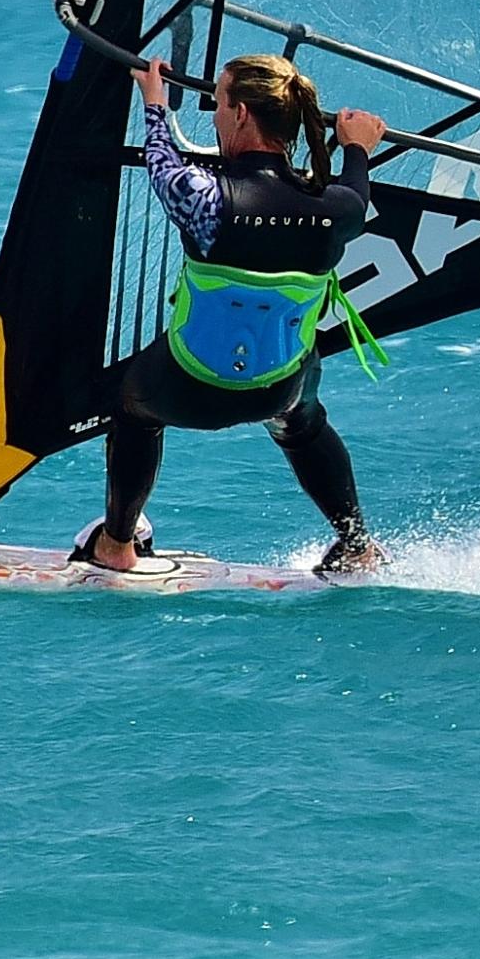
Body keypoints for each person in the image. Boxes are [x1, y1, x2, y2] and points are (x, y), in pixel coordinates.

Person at [79, 52, 392, 575]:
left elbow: (161, 160)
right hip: (275, 387)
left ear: (242, 113)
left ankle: (117, 543)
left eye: (219, 102)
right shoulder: (339, 210)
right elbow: (355, 190)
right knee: (304, 417)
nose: (215, 115)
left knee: (133, 411)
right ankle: (357, 545)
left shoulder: (204, 199)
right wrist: (356, 147)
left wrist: (154, 103)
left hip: (184, 389)